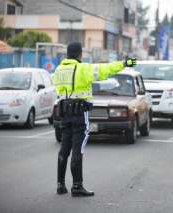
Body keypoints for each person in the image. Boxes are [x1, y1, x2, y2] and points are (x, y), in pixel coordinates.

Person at [52, 42, 136, 197]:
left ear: (67, 54)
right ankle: (77, 186)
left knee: (64, 148)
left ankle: (60, 185)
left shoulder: (58, 70)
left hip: (65, 113)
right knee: (78, 148)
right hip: (79, 113)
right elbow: (105, 69)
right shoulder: (83, 68)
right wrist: (125, 63)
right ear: (80, 54)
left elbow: (55, 87)